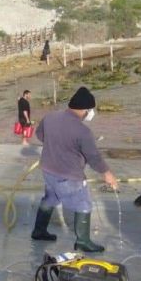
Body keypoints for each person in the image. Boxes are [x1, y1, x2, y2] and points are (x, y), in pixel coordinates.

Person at [30, 87, 118, 252]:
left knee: (50, 199)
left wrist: (56, 146)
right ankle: (83, 241)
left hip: (48, 170)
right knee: (83, 204)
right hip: (68, 175)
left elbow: (40, 135)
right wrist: (107, 173)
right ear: (86, 110)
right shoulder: (83, 131)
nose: (92, 113)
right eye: (91, 110)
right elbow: (94, 157)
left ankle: (39, 231)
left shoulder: (50, 117)